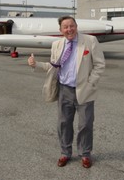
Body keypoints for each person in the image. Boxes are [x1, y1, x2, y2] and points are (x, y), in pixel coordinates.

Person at [28, 16, 105, 168]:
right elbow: (53, 66)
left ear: (76, 26)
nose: (69, 29)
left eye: (72, 26)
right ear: (61, 30)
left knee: (85, 125)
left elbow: (99, 65)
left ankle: (85, 154)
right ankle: (65, 153)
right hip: (65, 90)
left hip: (85, 90)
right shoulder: (57, 45)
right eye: (65, 27)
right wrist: (35, 64)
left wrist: (90, 84)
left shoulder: (90, 41)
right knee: (64, 124)